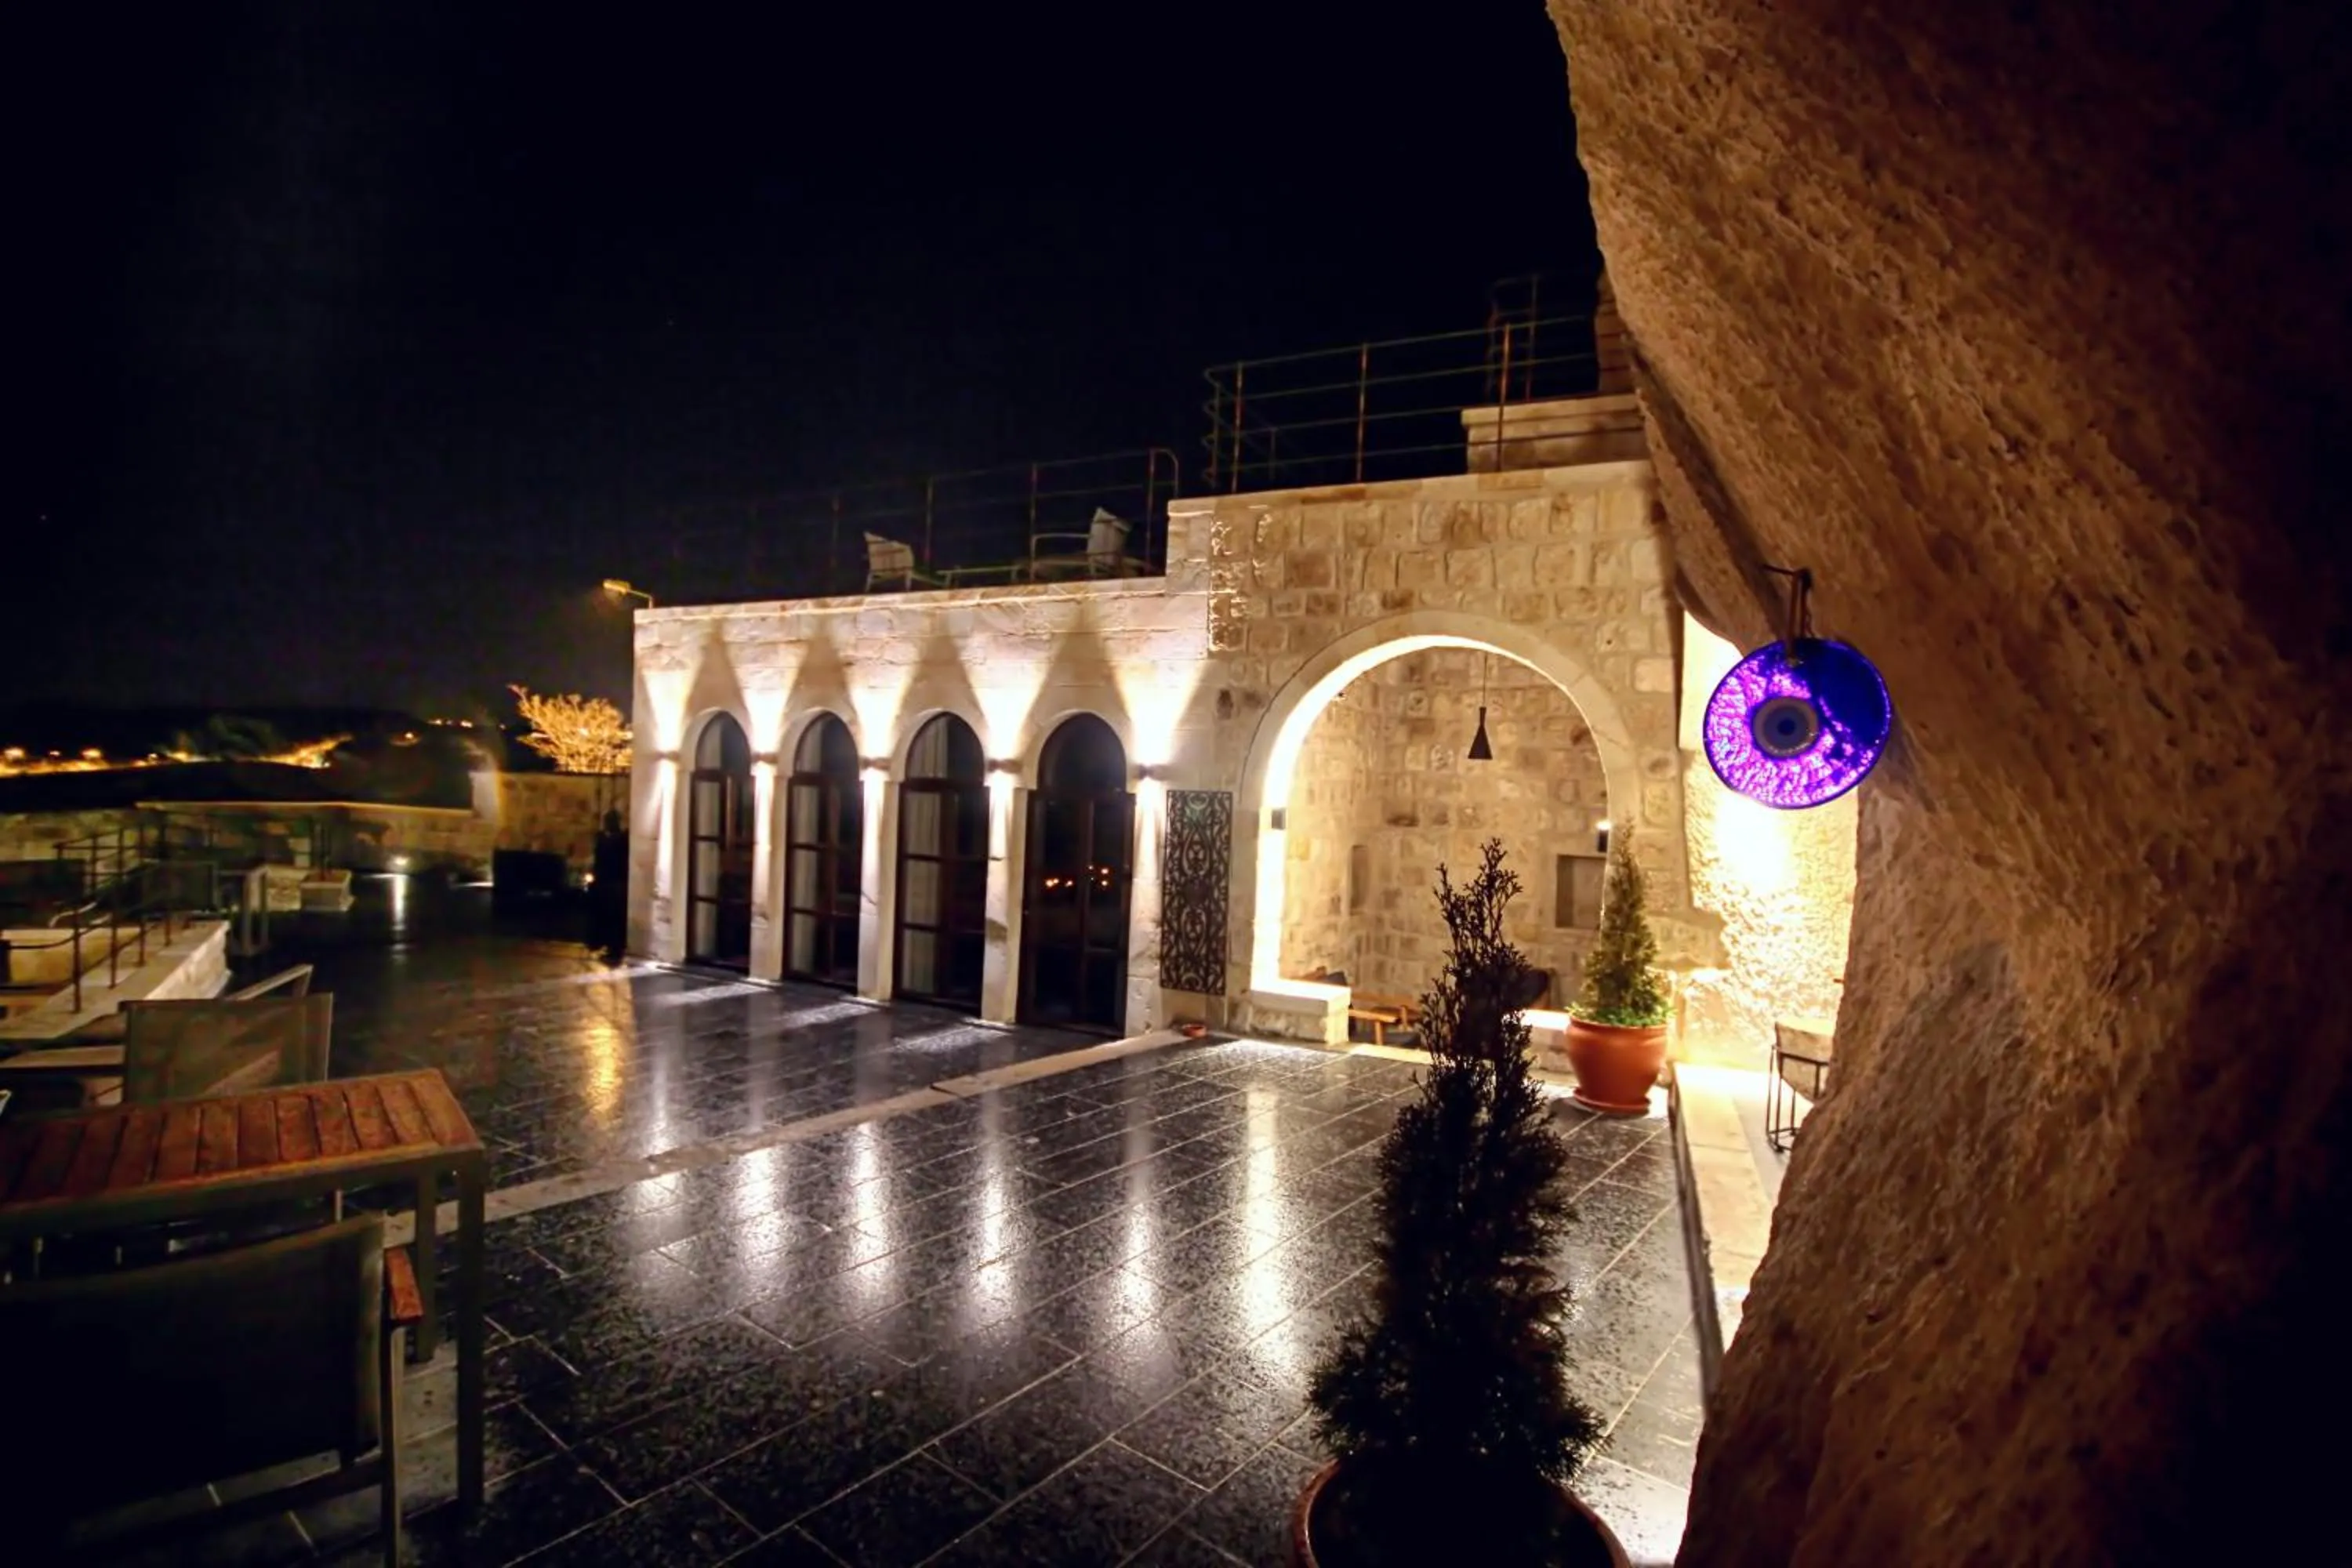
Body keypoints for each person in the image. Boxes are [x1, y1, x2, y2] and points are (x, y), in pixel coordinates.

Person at [588, 809, 629, 959]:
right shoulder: (617, 840)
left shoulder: (613, 841)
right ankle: (609, 945)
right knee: (610, 916)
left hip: (612, 882)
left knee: (612, 917)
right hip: (611, 882)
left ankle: (613, 947)